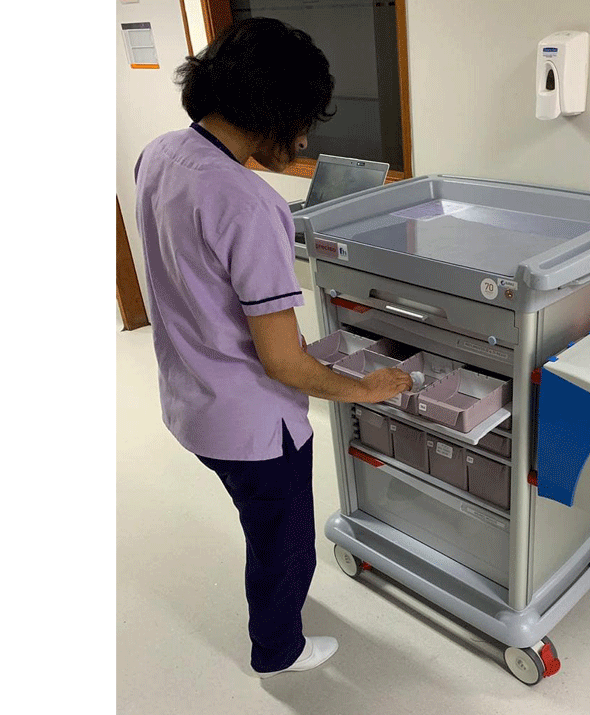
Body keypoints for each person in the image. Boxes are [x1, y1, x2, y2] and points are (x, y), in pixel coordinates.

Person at [132, 17, 412, 678]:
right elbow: (283, 363)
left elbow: (198, 282)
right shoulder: (252, 205)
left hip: (190, 401)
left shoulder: (160, 153)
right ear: (273, 112)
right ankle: (279, 649)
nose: (307, 137)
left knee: (257, 515)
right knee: (283, 542)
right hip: (252, 424)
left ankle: (277, 626)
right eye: (303, 120)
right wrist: (365, 389)